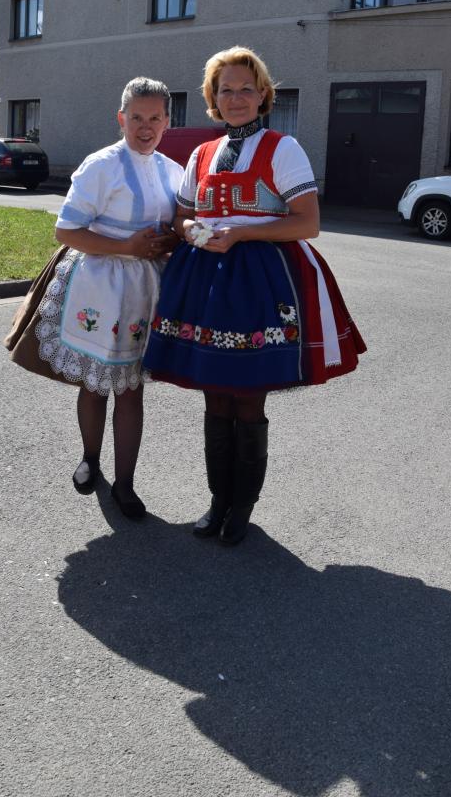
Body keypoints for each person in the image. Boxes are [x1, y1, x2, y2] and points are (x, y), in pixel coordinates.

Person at [143, 47, 366, 544]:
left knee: (247, 398)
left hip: (260, 282)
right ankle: (217, 500)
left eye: (247, 88)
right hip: (205, 279)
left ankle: (242, 505)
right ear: (213, 97)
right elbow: (182, 215)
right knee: (213, 398)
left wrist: (242, 233)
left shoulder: (283, 148)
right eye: (226, 89)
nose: (237, 98)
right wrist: (191, 230)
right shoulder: (201, 154)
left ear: (263, 95)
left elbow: (307, 223)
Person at [5, 78, 183, 519]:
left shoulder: (173, 171)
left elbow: (176, 227)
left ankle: (125, 484)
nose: (145, 127)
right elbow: (66, 231)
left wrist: (169, 242)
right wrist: (128, 247)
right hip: (100, 285)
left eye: (155, 118)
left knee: (131, 388)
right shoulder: (100, 165)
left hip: (144, 291)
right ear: (121, 118)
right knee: (95, 381)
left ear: (168, 121)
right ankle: (90, 458)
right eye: (136, 117)